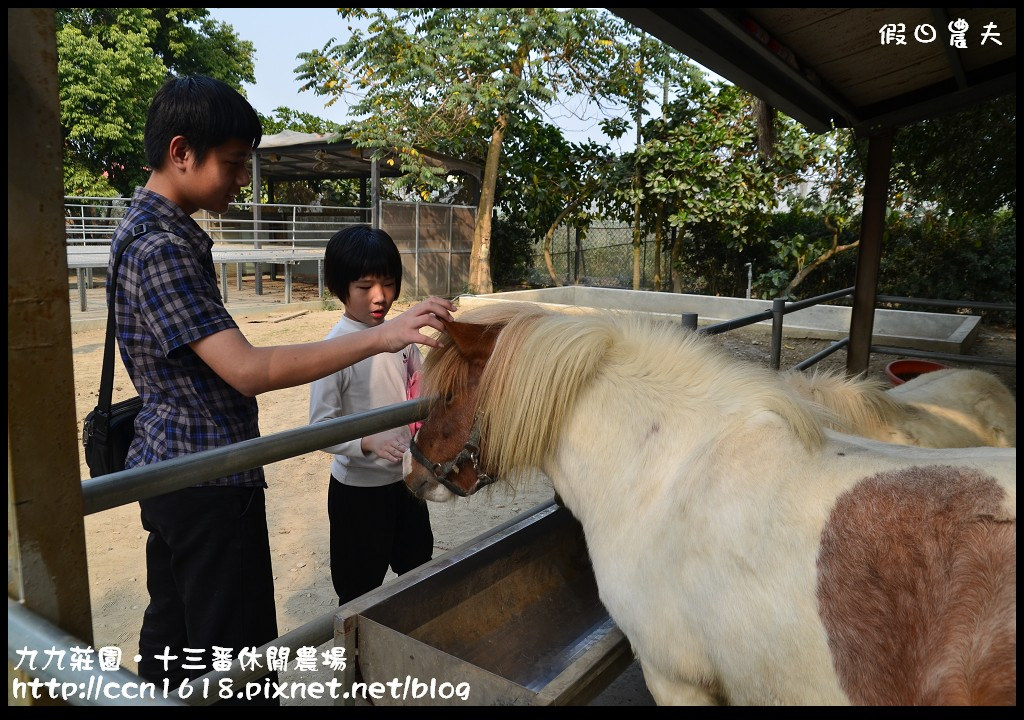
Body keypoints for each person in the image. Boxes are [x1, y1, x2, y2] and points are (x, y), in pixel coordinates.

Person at [108, 75, 454, 700]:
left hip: (179, 471)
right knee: (236, 657)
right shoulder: (161, 246)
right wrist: (380, 337)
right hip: (206, 479)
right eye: (236, 164)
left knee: (177, 638)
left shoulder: (154, 233)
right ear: (181, 152)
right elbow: (246, 369)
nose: (243, 181)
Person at [309, 226, 434, 606]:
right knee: (359, 588)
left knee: (416, 567)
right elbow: (319, 428)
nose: (380, 297)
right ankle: (357, 661)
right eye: (365, 287)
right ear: (339, 287)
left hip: (407, 481)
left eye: (389, 284)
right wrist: (367, 440)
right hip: (358, 493)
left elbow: (417, 381)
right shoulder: (335, 349)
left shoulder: (401, 337)